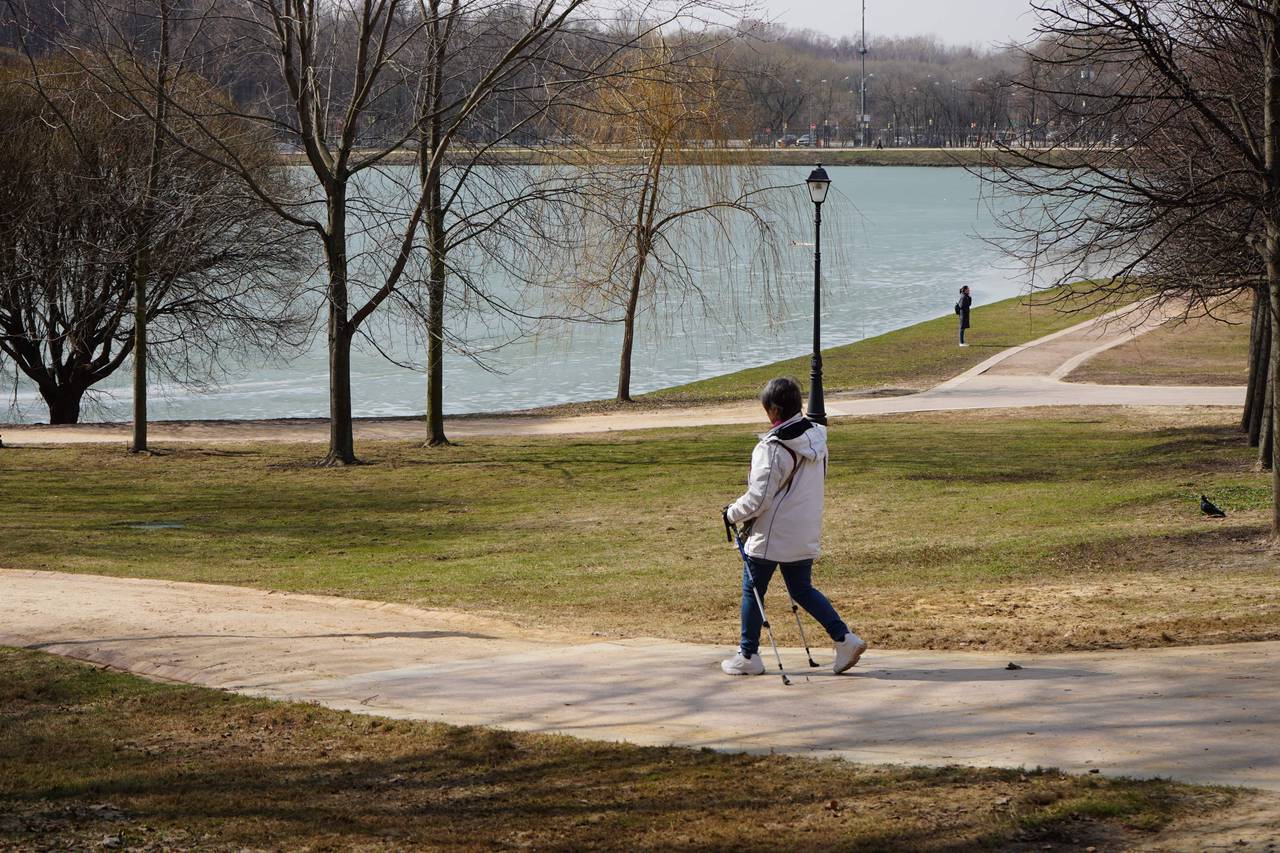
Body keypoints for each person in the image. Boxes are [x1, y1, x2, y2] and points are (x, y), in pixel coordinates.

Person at [720, 377, 867, 676]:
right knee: (801, 588)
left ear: (774, 410)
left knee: (753, 590)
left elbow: (759, 499)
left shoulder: (772, 448)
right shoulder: (817, 437)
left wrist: (731, 513)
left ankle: (748, 655)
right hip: (804, 526)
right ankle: (844, 639)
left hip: (773, 533)